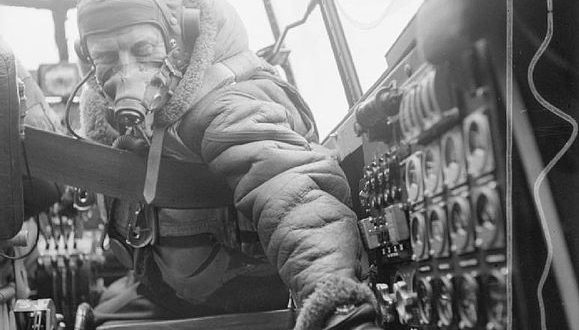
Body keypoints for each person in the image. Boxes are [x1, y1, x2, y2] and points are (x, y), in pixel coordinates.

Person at [75, 0, 379, 328]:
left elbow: (295, 197)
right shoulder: (141, 121)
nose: (126, 71)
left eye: (143, 48)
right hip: (163, 292)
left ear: (181, 40)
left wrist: (332, 299)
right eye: (105, 56)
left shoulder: (226, 105)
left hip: (248, 296)